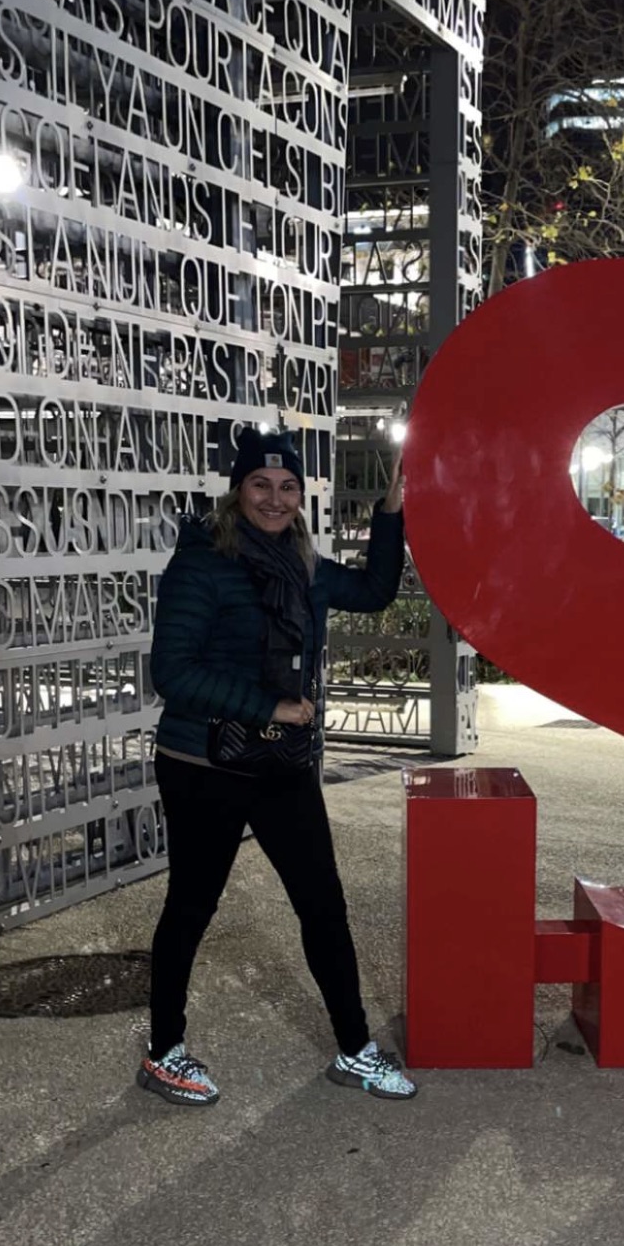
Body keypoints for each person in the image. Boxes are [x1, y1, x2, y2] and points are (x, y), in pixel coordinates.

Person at [139, 431, 416, 1106]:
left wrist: (391, 510)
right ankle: (164, 1053)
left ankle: (355, 1050)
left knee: (323, 905)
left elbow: (375, 591)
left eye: (288, 487)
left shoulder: (304, 567)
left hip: (280, 762)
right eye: (261, 486)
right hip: (204, 763)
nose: (275, 498)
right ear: (238, 491)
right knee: (191, 907)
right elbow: (172, 673)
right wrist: (271, 705)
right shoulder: (202, 564)